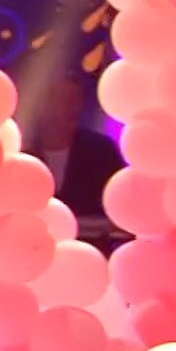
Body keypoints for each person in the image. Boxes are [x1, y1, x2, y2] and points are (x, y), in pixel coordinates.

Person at [23, 73, 125, 244]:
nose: (70, 107)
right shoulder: (23, 149)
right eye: (61, 99)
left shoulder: (100, 150)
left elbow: (119, 209)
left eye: (74, 99)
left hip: (88, 246)